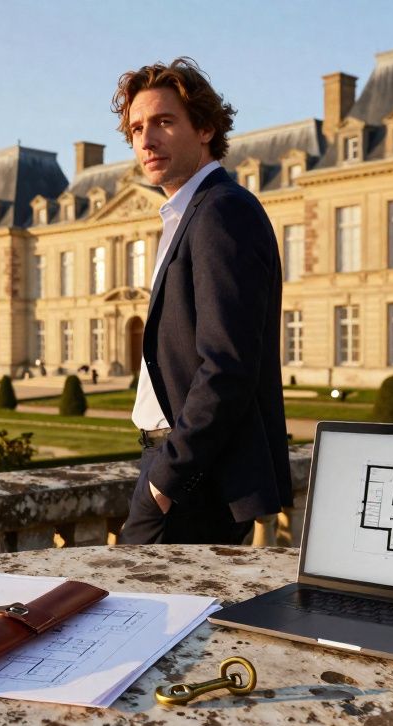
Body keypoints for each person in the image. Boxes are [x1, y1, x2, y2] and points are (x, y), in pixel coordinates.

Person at [114, 58, 291, 545]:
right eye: (136, 128)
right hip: (181, 468)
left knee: (125, 590)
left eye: (164, 122)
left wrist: (164, 482)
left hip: (191, 478)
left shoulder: (221, 211)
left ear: (206, 128)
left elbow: (226, 367)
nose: (146, 141)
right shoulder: (189, 213)